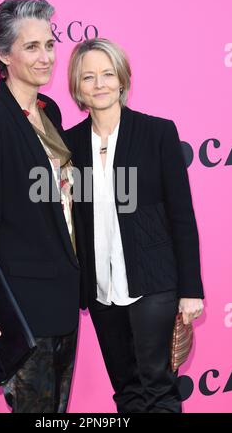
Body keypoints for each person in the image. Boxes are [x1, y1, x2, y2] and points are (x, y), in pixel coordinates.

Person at [66, 38, 204, 413]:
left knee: (158, 388)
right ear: (77, 87)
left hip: (154, 283)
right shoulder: (69, 145)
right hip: (100, 288)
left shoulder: (157, 132)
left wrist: (191, 290)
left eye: (107, 74)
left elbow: (181, 215)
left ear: (122, 79)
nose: (100, 85)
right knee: (126, 391)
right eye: (89, 77)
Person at [0, 0, 80, 413]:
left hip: (62, 295)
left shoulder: (51, 113)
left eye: (49, 44)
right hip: (25, 304)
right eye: (32, 47)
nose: (46, 57)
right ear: (2, 53)